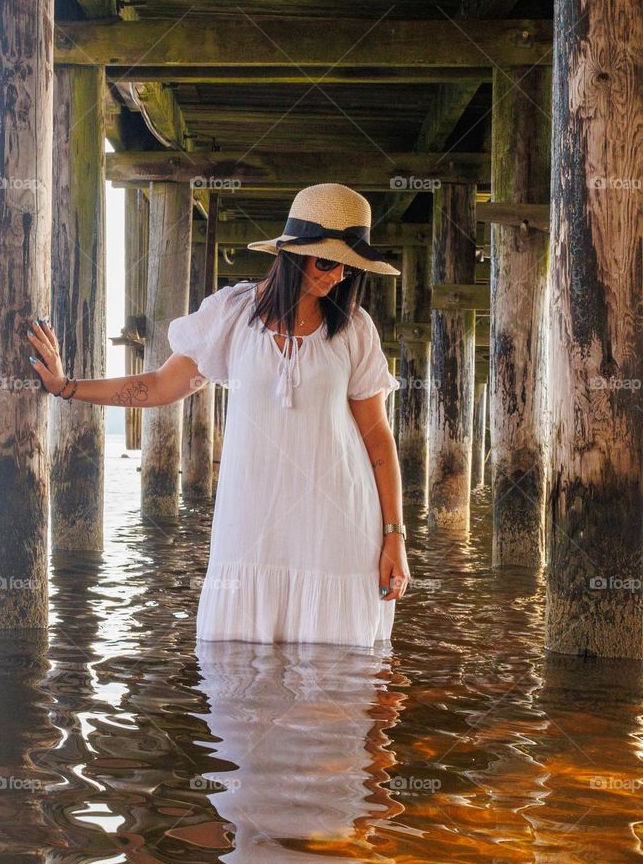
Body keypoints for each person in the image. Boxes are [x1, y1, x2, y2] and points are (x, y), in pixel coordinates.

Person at [28, 182, 411, 648]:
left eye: (348, 268)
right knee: (238, 681)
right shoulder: (232, 314)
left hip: (337, 529)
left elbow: (377, 440)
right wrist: (68, 387)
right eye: (326, 261)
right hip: (250, 528)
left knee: (334, 687)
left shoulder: (353, 329)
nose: (336, 277)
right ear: (291, 254)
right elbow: (160, 386)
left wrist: (395, 536)